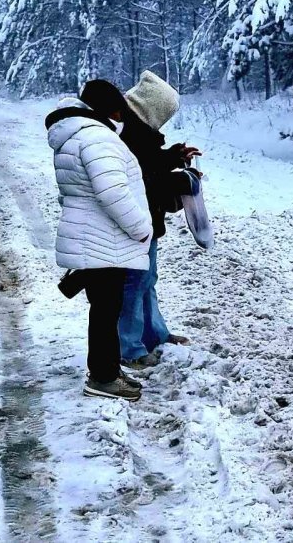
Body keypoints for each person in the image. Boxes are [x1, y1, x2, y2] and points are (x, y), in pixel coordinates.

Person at [45, 79, 152, 401]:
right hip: (105, 239)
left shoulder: (74, 135)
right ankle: (103, 377)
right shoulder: (96, 138)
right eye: (119, 108)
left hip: (94, 236)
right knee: (106, 311)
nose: (122, 116)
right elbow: (113, 192)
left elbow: (71, 193)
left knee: (105, 309)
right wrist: (141, 228)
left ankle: (105, 369)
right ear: (109, 108)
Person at [117, 71, 201, 369]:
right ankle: (129, 348)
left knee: (146, 280)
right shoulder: (129, 137)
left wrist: (176, 157)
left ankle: (154, 335)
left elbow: (151, 165)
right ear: (154, 109)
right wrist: (178, 182)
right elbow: (142, 181)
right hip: (134, 225)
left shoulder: (139, 135)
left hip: (144, 223)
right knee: (134, 283)